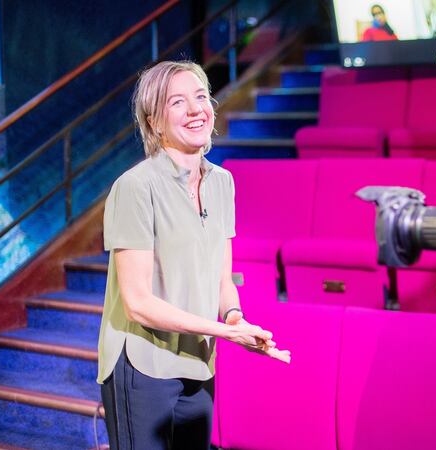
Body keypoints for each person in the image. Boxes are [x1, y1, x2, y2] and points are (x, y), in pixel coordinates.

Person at [97, 60, 291, 450]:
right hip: (143, 365)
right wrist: (225, 331)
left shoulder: (223, 182)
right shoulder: (135, 187)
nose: (196, 109)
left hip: (199, 361)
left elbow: (222, 280)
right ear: (153, 122)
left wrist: (236, 318)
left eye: (201, 97)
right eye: (178, 102)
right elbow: (137, 304)